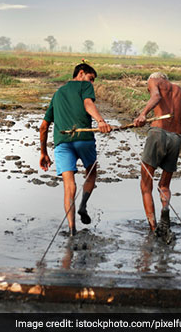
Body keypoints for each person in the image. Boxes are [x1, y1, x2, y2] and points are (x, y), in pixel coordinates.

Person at [39, 62, 112, 236]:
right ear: (81, 73)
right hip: (84, 139)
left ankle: (72, 229)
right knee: (91, 173)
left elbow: (43, 126)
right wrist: (101, 121)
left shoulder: (57, 94)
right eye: (91, 78)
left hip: (62, 143)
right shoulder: (84, 86)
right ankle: (83, 205)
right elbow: (88, 104)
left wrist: (43, 153)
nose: (92, 83)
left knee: (68, 186)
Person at [133, 72, 181, 236]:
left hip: (157, 133)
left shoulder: (154, 81)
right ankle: (165, 208)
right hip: (176, 138)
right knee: (164, 185)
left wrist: (143, 114)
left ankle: (154, 228)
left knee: (146, 185)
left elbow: (156, 97)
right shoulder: (180, 90)